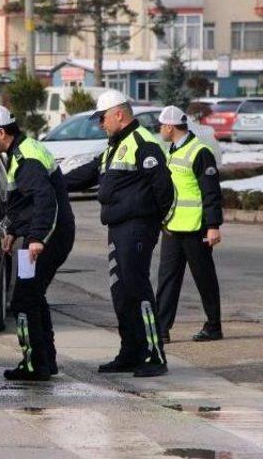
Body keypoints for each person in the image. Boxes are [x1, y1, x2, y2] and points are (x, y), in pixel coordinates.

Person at [63, 91, 174, 378]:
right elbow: (89, 173)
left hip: (137, 227)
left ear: (119, 114)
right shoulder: (115, 146)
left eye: (102, 118)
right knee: (121, 292)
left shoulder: (143, 144)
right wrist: (54, 183)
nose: (100, 124)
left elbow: (164, 189)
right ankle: (130, 351)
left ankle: (154, 353)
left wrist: (153, 222)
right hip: (117, 227)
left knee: (138, 289)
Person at [0, 105, 75, 381]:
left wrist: (35, 239)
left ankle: (34, 364)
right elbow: (23, 203)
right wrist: (12, 230)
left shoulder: (27, 157)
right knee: (33, 297)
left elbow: (45, 200)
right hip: (42, 235)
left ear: (1, 132)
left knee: (23, 300)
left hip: (49, 237)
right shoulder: (19, 153)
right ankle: (46, 361)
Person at [155, 106, 223, 343]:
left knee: (204, 278)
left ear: (170, 127)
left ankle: (214, 326)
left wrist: (213, 225)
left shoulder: (200, 152)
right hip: (173, 227)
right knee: (167, 279)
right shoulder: (172, 150)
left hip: (196, 228)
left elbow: (211, 192)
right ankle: (161, 329)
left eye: (161, 126)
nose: (160, 130)